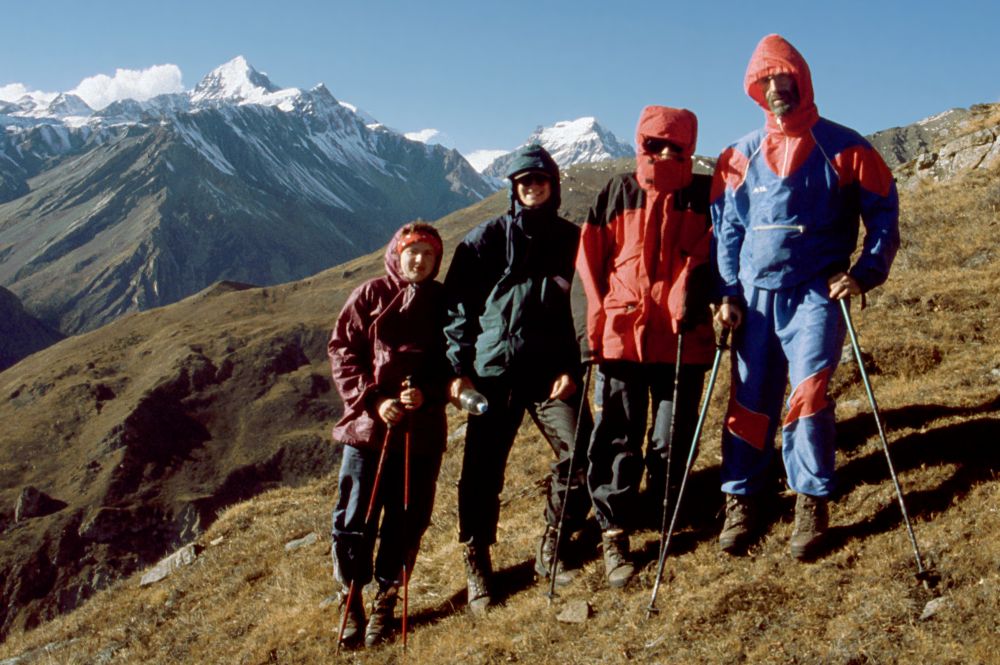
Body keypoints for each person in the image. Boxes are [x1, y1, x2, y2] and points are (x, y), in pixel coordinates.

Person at [711, 34, 900, 559]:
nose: (775, 89)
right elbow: (726, 230)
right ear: (755, 88)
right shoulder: (739, 154)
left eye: (783, 78)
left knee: (809, 394)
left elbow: (884, 212)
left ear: (802, 80)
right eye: (765, 81)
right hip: (752, 297)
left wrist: (864, 273)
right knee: (749, 400)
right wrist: (727, 292)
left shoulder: (845, 146)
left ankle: (809, 499)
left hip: (816, 291)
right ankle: (742, 498)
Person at [444, 144, 591, 613]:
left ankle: (554, 541)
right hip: (495, 374)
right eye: (523, 182)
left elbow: (585, 310)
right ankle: (477, 560)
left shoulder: (573, 240)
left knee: (581, 452)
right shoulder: (484, 240)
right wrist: (458, 371)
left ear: (553, 185)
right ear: (513, 189)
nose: (532, 188)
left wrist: (573, 367)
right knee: (481, 474)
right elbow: (458, 311)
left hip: (551, 374)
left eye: (540, 181)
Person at [576, 106, 715, 588]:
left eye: (673, 147)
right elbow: (591, 262)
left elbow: (719, 250)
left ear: (687, 148)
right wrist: (596, 327)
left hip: (683, 338)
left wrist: (692, 288)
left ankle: (665, 512)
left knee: (671, 437)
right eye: (654, 144)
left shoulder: (704, 192)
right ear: (641, 144)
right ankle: (614, 532)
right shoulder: (618, 190)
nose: (663, 153)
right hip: (622, 337)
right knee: (617, 436)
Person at [328, 222, 449, 647]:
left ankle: (386, 599)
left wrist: (428, 394)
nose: (418, 260)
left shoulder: (442, 302)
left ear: (436, 261)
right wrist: (375, 400)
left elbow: (453, 361)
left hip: (421, 432)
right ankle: (352, 597)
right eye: (412, 251)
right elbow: (343, 351)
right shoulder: (370, 295)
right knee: (354, 518)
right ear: (397, 253)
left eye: (428, 254)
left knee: (406, 518)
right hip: (368, 433)